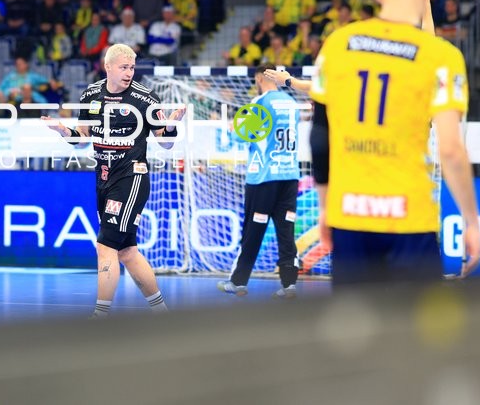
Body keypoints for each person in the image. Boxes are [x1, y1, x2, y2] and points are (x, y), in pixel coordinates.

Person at [309, 0, 480, 286]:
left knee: (355, 331)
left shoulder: (337, 44)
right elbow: (450, 149)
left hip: (350, 215)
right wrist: (471, 222)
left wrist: (324, 206)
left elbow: (319, 136)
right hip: (410, 219)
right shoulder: (441, 56)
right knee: (416, 333)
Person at [42, 43, 185, 318]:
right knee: (127, 251)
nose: (129, 72)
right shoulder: (92, 95)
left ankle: (100, 316)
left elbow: (165, 144)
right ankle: (163, 313)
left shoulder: (145, 99)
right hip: (104, 177)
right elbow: (82, 139)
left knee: (105, 246)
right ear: (108, 67)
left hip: (131, 177)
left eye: (132, 67)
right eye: (123, 67)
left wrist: (170, 127)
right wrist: (62, 129)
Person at [218, 64, 301, 298]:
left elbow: (239, 135)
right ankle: (289, 284)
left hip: (263, 178)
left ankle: (238, 282)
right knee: (286, 231)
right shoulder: (293, 104)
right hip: (290, 177)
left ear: (259, 78)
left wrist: (232, 127)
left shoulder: (260, 103)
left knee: (253, 231)